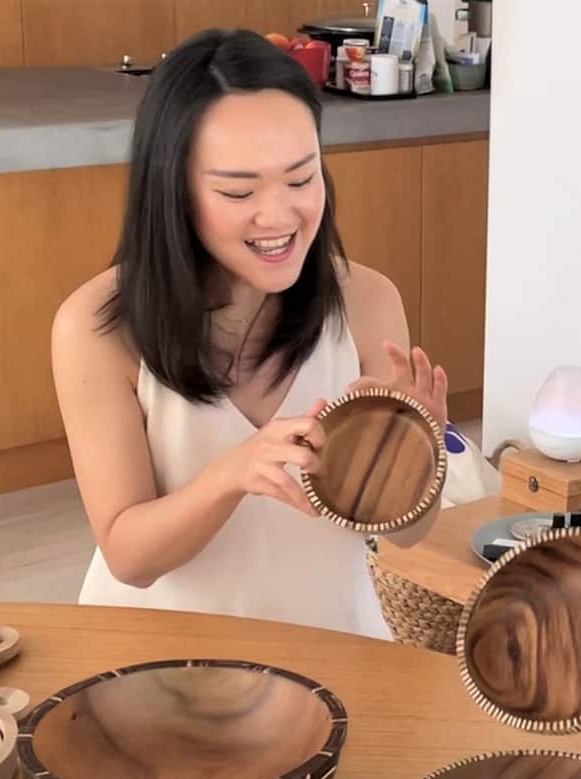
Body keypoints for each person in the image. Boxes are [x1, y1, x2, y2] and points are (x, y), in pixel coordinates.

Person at [52, 29, 446, 638]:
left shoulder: (368, 301)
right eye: (239, 190)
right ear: (173, 190)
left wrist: (412, 465)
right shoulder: (98, 327)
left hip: (335, 648)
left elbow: (409, 534)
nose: (280, 216)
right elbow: (129, 557)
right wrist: (233, 473)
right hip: (156, 668)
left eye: (301, 178)